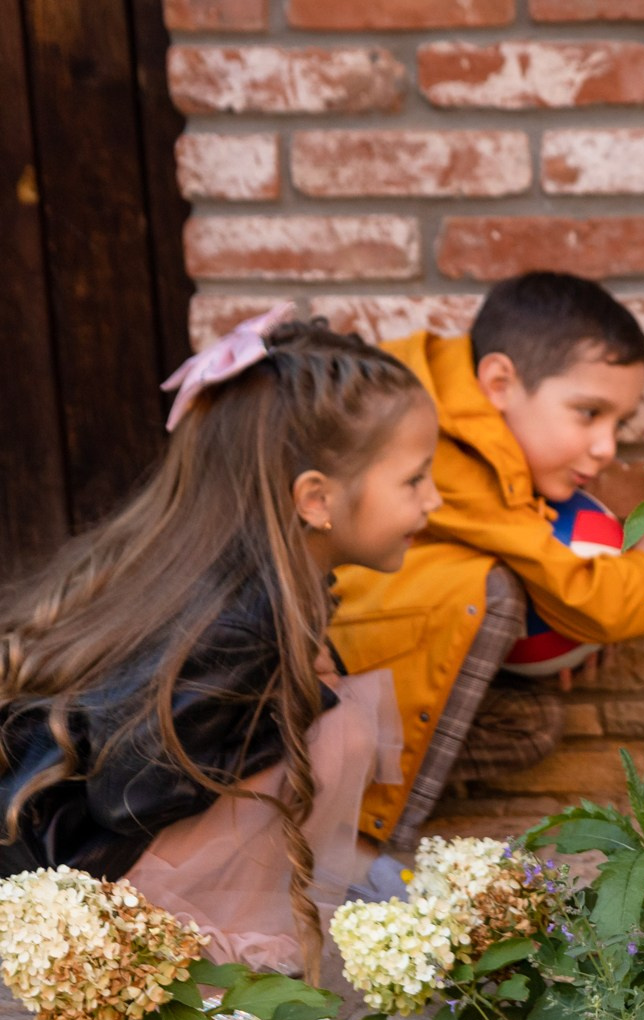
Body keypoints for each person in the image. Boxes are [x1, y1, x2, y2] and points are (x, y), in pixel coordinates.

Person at [0, 311, 441, 979]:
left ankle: (306, 879)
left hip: (82, 847)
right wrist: (294, 706)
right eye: (414, 479)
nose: (434, 499)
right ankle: (213, 925)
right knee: (338, 724)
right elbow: (129, 794)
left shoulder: (250, 577)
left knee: (330, 709)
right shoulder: (241, 624)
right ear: (316, 499)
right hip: (88, 878)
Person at [330, 272, 644, 888]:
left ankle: (354, 789)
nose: (606, 446)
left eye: (619, 421)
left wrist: (557, 623)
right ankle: (358, 846)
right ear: (499, 382)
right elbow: (600, 602)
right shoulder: (446, 447)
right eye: (588, 413)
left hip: (359, 650)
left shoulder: (462, 402)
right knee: (493, 591)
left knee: (530, 725)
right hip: (316, 666)